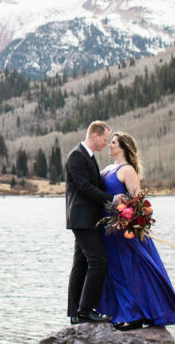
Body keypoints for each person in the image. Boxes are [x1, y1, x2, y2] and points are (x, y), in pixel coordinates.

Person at [97, 132, 175, 330]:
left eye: (113, 143)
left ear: (123, 147)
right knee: (113, 270)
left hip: (122, 230)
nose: (109, 146)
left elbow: (137, 202)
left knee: (130, 270)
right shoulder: (107, 169)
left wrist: (124, 222)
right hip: (106, 229)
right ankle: (118, 312)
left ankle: (135, 315)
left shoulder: (127, 170)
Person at [65, 121, 116, 324]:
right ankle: (85, 310)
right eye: (105, 139)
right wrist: (111, 199)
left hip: (86, 219)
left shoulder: (88, 156)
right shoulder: (77, 155)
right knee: (99, 262)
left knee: (81, 264)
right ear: (95, 136)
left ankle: (75, 313)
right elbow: (84, 187)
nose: (105, 143)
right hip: (82, 218)